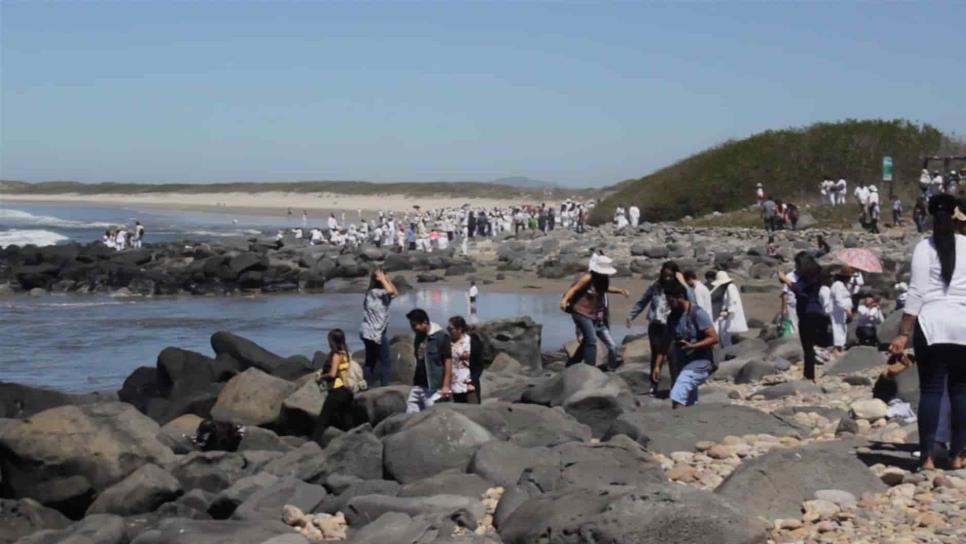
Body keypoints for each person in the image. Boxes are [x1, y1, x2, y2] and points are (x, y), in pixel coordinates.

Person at [888, 194, 966, 470]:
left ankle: (928, 458)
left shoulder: (924, 247)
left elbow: (917, 292)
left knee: (931, 392)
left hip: (930, 323)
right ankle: (958, 456)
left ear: (931, 217)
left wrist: (902, 333)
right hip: (962, 324)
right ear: (956, 215)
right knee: (960, 392)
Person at [560, 254, 629, 370]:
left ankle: (572, 364)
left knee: (592, 342)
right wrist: (564, 300)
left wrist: (620, 291)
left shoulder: (603, 279)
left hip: (595, 315)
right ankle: (590, 369)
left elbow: (606, 289)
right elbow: (574, 288)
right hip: (581, 312)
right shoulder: (588, 277)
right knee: (591, 340)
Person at [628, 262, 688, 393]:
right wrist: (631, 316)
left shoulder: (679, 288)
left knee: (672, 355)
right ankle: (653, 385)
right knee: (656, 355)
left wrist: (683, 282)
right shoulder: (655, 286)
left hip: (671, 325)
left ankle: (675, 386)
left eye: (670, 276)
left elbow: (691, 300)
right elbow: (643, 301)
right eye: (665, 275)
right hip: (656, 325)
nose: (667, 278)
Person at [657, 282, 719, 409]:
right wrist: (657, 366)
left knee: (679, 389)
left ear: (680, 296)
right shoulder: (672, 317)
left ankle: (677, 421)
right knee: (688, 397)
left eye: (671, 300)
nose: (669, 304)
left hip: (703, 360)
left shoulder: (697, 313)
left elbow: (714, 337)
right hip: (683, 361)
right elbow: (665, 343)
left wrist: (693, 346)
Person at [779, 254, 827, 382]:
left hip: (807, 312)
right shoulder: (816, 275)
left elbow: (799, 291)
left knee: (807, 346)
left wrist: (785, 279)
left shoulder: (808, 278)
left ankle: (809, 375)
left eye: (797, 264)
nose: (796, 267)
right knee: (809, 345)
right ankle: (809, 374)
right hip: (815, 311)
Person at [405, 308, 453, 413]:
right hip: (418, 385)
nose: (413, 328)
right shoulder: (418, 336)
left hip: (433, 387)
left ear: (425, 323)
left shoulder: (441, 337)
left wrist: (445, 386)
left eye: (415, 325)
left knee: (431, 415)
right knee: (410, 413)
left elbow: (448, 362)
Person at [313, 329, 355, 440]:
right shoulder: (346, 353)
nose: (328, 342)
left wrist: (320, 377)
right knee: (347, 420)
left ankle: (313, 443)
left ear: (333, 341)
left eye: (329, 340)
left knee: (323, 420)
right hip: (347, 391)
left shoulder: (336, 355)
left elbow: (332, 374)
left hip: (337, 390)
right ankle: (355, 440)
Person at [360, 268, 398, 387]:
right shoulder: (374, 293)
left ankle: (366, 384)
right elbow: (390, 291)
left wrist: (387, 279)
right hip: (374, 332)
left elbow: (395, 293)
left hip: (372, 331)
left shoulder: (380, 294)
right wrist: (382, 280)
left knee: (370, 361)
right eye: (383, 278)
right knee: (385, 361)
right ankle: (384, 385)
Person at [447, 316, 484, 404]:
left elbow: (479, 365)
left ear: (459, 329)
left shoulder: (473, 343)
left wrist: (473, 381)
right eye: (447, 328)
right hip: (453, 385)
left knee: (473, 411)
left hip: (469, 386)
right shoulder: (447, 343)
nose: (448, 331)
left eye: (450, 329)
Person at [709, 271, 748, 347]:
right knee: (723, 334)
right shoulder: (728, 287)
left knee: (725, 335)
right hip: (726, 314)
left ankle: (727, 350)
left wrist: (727, 312)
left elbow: (733, 301)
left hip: (727, 315)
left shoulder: (730, 287)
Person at [829, 266, 854, 356]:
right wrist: (846, 309)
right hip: (838, 310)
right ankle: (837, 348)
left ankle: (841, 347)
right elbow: (838, 300)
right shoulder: (838, 285)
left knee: (843, 328)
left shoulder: (844, 285)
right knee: (838, 328)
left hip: (843, 311)